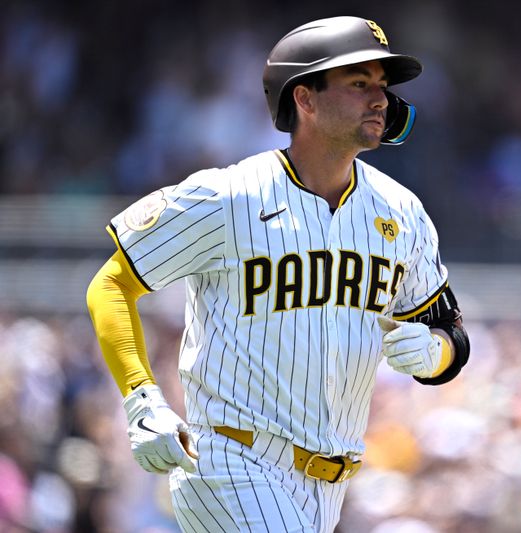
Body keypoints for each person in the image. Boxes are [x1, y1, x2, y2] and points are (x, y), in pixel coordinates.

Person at [86, 16, 470, 533]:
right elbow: (111, 283)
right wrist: (141, 399)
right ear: (305, 99)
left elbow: (450, 330)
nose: (380, 99)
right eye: (359, 84)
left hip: (331, 484)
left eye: (383, 86)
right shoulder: (229, 196)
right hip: (230, 461)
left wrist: (437, 352)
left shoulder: (401, 211)